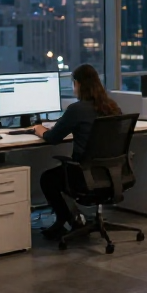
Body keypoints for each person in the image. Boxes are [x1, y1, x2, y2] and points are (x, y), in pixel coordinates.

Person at [34, 64, 122, 239]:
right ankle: (72, 219)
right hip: (111, 173)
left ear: (79, 84)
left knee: (48, 178)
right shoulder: (112, 107)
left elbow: (52, 138)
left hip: (84, 175)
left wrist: (39, 129)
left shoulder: (76, 109)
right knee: (57, 175)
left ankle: (67, 221)